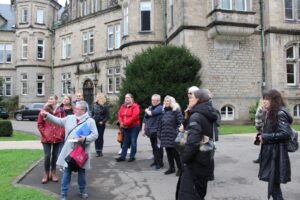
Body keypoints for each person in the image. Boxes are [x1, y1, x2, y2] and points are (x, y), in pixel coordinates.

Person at [40, 101, 98, 200]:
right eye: (75, 108)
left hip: (82, 152)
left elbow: (95, 135)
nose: (74, 110)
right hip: (69, 152)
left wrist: (84, 139)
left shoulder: (90, 121)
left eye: (77, 109)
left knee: (81, 173)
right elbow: (57, 120)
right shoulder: (70, 118)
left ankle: (82, 191)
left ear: (83, 110)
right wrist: (47, 115)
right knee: (67, 172)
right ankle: (63, 194)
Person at [177, 89, 219, 200]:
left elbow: (193, 143)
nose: (189, 98)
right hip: (203, 160)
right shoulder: (205, 112)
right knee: (199, 192)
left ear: (198, 100)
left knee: (191, 194)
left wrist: (184, 158)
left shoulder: (197, 116)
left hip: (194, 162)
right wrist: (187, 116)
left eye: (191, 97)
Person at [257, 89, 292, 200]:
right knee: (273, 186)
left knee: (274, 187)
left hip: (276, 154)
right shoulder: (271, 112)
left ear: (274, 100)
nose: (264, 101)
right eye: (264, 99)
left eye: (267, 99)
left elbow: (285, 134)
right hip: (271, 153)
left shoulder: (280, 113)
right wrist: (261, 136)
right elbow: (271, 130)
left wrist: (266, 137)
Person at [37, 95, 65, 184]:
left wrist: (62, 133)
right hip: (46, 138)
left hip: (57, 137)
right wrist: (45, 134)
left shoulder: (61, 110)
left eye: (52, 98)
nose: (50, 100)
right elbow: (40, 124)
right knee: (47, 155)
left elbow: (64, 122)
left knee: (55, 155)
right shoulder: (43, 111)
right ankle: (46, 173)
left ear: (56, 100)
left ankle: (53, 173)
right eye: (49, 98)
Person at [158, 95, 183, 175]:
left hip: (173, 135)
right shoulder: (163, 111)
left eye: (168, 101)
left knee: (175, 152)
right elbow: (160, 124)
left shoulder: (176, 110)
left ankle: (180, 168)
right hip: (165, 135)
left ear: (172, 102)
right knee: (168, 152)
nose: (166, 102)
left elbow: (180, 123)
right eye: (165, 101)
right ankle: (171, 168)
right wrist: (159, 133)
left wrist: (176, 132)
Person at [141, 94, 164, 169]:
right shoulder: (150, 108)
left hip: (158, 131)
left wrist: (146, 110)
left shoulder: (160, 108)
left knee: (158, 148)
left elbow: (151, 113)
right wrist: (143, 129)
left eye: (155, 100)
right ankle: (155, 161)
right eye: (152, 100)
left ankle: (160, 163)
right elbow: (145, 120)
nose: (153, 102)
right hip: (150, 131)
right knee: (153, 147)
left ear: (159, 101)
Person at [116, 93, 140, 162]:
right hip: (125, 127)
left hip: (134, 127)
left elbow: (134, 117)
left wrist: (125, 123)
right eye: (126, 97)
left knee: (133, 141)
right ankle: (122, 157)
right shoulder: (123, 106)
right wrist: (121, 123)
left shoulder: (135, 106)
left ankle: (132, 157)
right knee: (125, 142)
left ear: (132, 99)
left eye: (128, 97)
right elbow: (119, 115)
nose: (126, 99)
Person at [253, 99, 264, 164]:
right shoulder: (261, 108)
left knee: (264, 145)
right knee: (263, 145)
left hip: (263, 129)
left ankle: (260, 159)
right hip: (262, 129)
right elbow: (258, 121)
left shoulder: (262, 109)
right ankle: (260, 159)